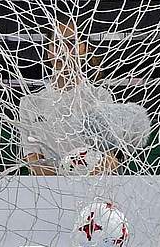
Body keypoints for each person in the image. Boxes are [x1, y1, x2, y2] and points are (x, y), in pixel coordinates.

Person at [16, 23, 149, 175]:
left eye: (71, 43)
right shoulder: (30, 103)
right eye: (56, 44)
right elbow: (32, 158)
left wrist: (86, 179)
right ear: (48, 52)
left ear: (84, 49)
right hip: (49, 186)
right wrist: (62, 181)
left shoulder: (100, 97)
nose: (63, 50)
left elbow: (112, 156)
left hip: (93, 185)